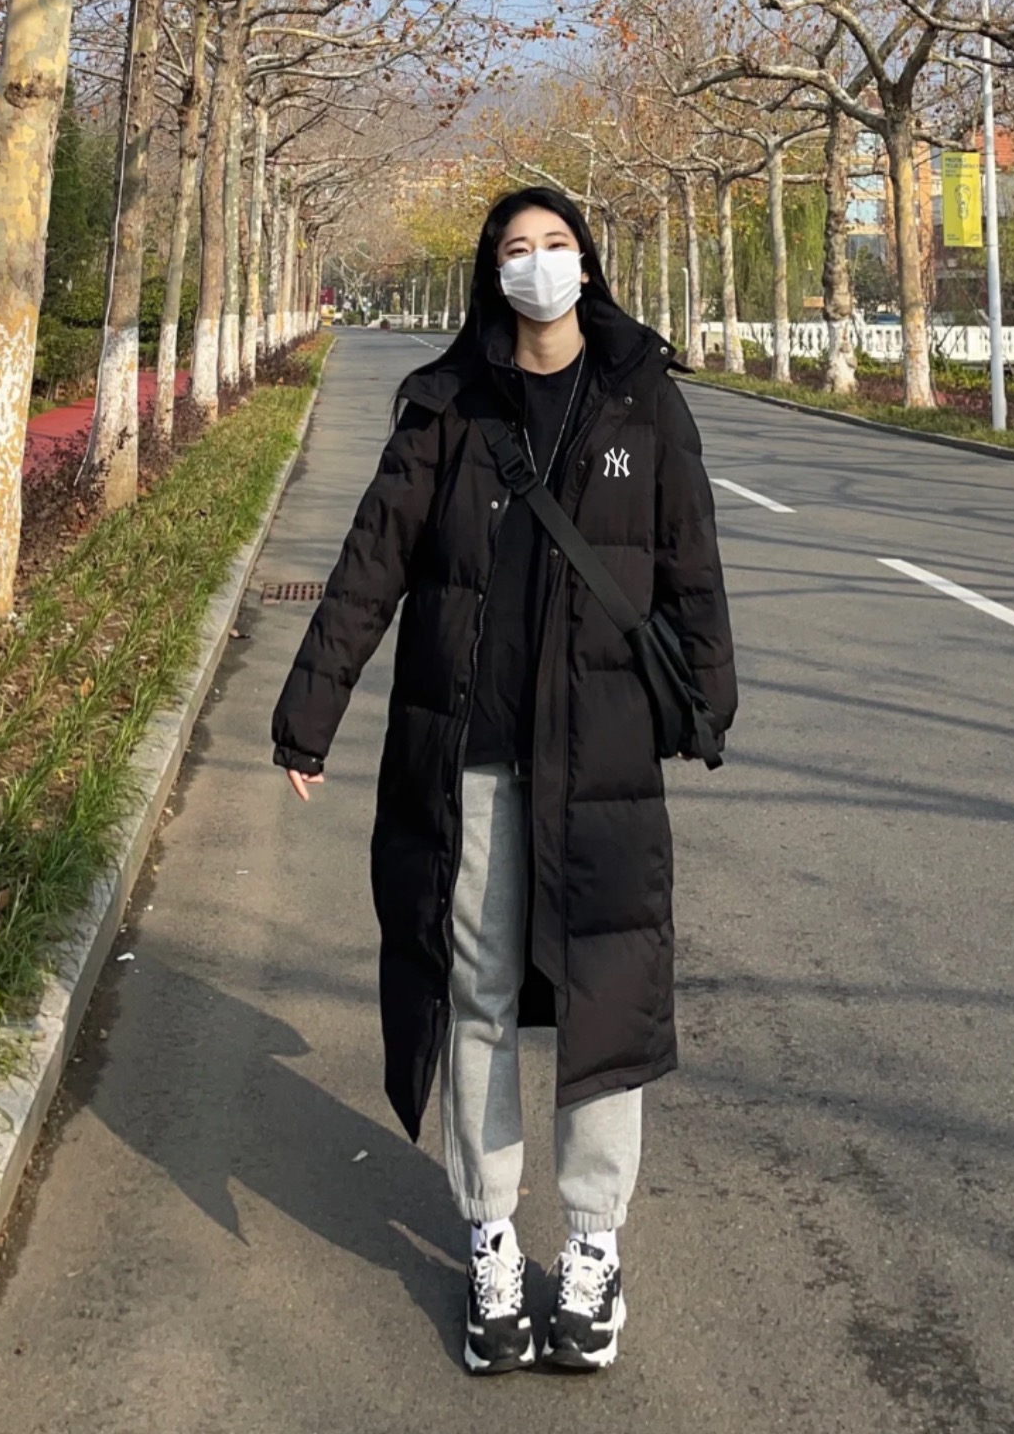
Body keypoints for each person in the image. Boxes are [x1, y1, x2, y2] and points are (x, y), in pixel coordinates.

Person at [271, 187, 737, 1376]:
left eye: (556, 245)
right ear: (493, 272)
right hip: (472, 757)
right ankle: (487, 1238)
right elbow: (371, 562)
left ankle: (591, 1250)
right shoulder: (447, 403)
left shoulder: (643, 395)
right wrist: (308, 716)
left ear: (588, 264)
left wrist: (707, 704)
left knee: (605, 998)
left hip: (603, 760)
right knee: (476, 997)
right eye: (517, 249)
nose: (538, 264)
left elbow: (690, 562)